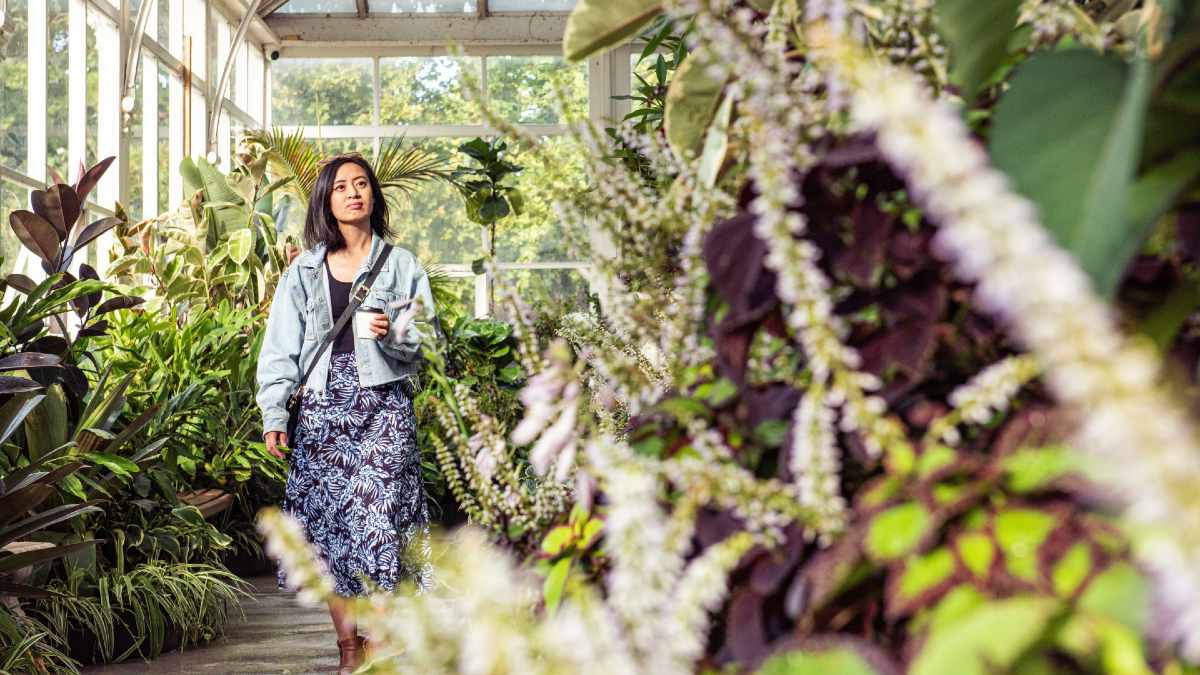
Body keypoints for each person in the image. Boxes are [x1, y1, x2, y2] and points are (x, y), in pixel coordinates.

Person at [255, 152, 434, 674]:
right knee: (332, 534)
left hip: (383, 410)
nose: (354, 193)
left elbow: (425, 341)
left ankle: (375, 645)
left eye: (362, 185)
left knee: (378, 527)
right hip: (321, 413)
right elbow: (280, 349)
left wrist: (395, 335)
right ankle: (348, 647)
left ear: (373, 196)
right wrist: (274, 413)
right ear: (327, 203)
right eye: (341, 188)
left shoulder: (401, 265)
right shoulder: (304, 270)